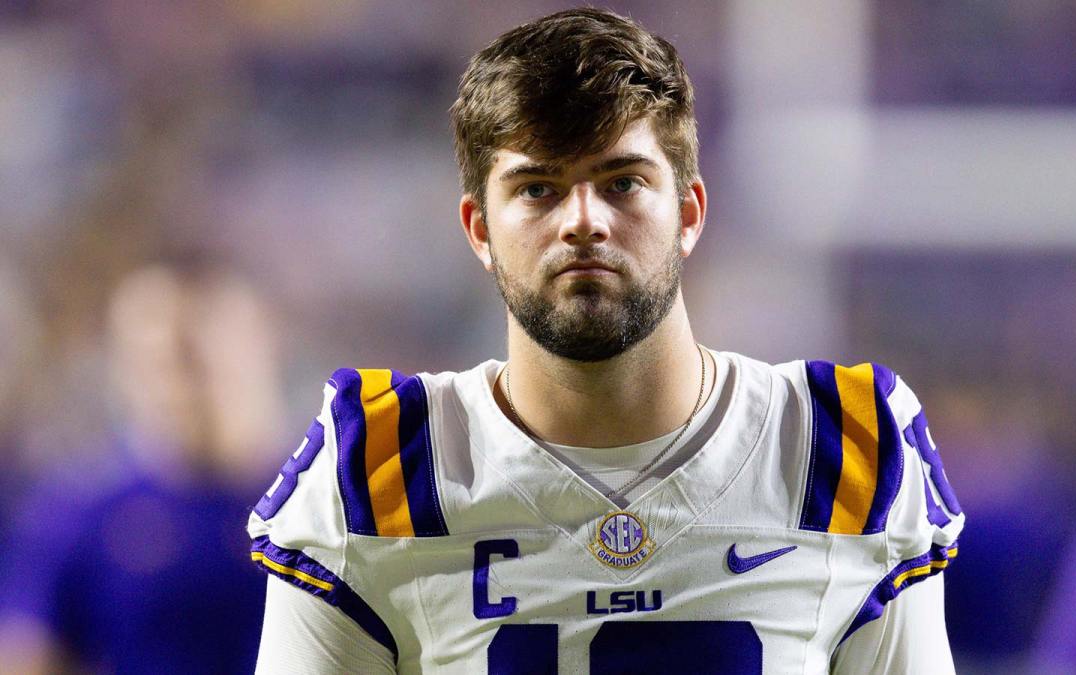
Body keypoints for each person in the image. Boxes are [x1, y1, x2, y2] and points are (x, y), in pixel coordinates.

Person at [249, 8, 965, 673]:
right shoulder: (381, 469)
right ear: (479, 230)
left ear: (688, 212)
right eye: (538, 188)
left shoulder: (838, 446)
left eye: (622, 182)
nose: (582, 220)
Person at [0, 263, 285, 674]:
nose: (179, 381)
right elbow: (25, 656)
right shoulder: (78, 514)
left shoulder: (334, 508)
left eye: (195, 355)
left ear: (262, 342)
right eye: (158, 358)